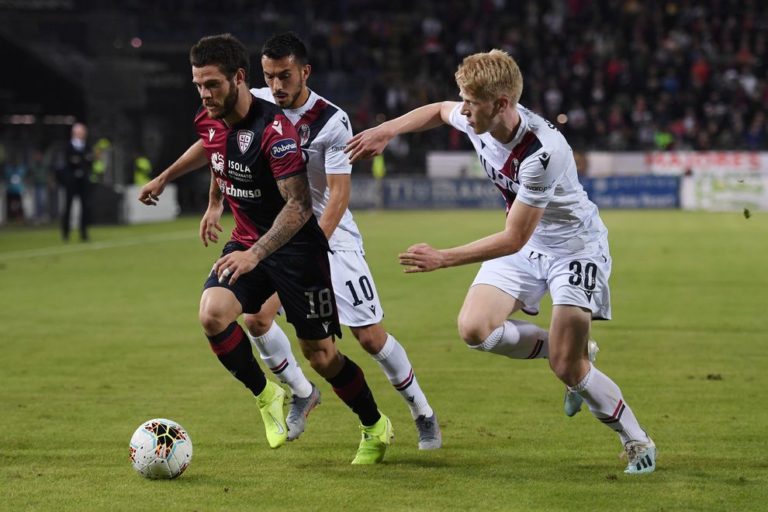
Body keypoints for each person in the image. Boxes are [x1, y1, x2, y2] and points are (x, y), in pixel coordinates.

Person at [345, 49, 656, 475]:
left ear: (502, 104)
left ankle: (636, 440)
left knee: (567, 367)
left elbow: (513, 237)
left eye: (471, 102)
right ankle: (573, 349)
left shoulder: (543, 152)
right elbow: (438, 110)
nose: (464, 110)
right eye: (464, 99)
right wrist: (387, 130)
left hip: (574, 248)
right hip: (529, 244)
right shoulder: (479, 118)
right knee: (474, 329)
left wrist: (443, 257)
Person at [144, 32, 441, 450]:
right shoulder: (255, 101)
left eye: (285, 76)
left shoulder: (331, 121)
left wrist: (307, 255)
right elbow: (217, 144)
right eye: (269, 76)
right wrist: (211, 199)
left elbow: (336, 196)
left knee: (370, 338)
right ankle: (301, 393)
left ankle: (421, 411)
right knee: (255, 319)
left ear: (305, 72)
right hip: (275, 235)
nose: (277, 86)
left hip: (329, 236)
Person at [59, 122, 92, 241]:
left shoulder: (87, 146)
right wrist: (82, 160)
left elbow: (89, 161)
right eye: (78, 132)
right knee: (68, 206)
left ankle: (84, 232)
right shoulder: (68, 146)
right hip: (71, 181)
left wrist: (79, 160)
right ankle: (65, 233)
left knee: (85, 206)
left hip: (83, 181)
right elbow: (71, 161)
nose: (81, 134)